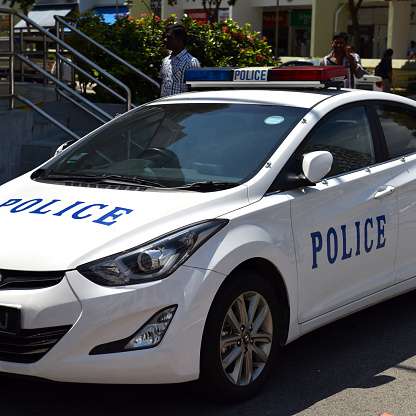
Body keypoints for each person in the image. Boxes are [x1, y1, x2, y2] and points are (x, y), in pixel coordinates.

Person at [159, 24, 200, 97]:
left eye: (169, 37)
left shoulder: (191, 62)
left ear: (179, 39)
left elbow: (193, 91)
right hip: (164, 106)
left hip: (180, 107)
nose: (165, 40)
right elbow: (162, 85)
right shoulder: (166, 60)